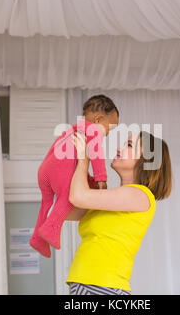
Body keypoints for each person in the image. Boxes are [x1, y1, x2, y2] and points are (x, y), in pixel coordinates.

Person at [65, 130, 172, 295]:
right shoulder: (113, 199)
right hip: (86, 284)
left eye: (129, 145)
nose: (118, 149)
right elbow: (67, 211)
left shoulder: (140, 195)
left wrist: (83, 160)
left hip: (103, 287)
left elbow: (77, 196)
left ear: (146, 160)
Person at [29, 95, 119, 258]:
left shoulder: (73, 130)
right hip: (58, 170)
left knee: (47, 204)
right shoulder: (93, 130)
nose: (106, 133)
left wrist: (89, 178)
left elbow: (62, 153)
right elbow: (97, 154)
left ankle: (37, 238)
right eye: (109, 129)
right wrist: (101, 178)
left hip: (45, 169)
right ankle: (51, 229)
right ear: (99, 119)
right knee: (69, 196)